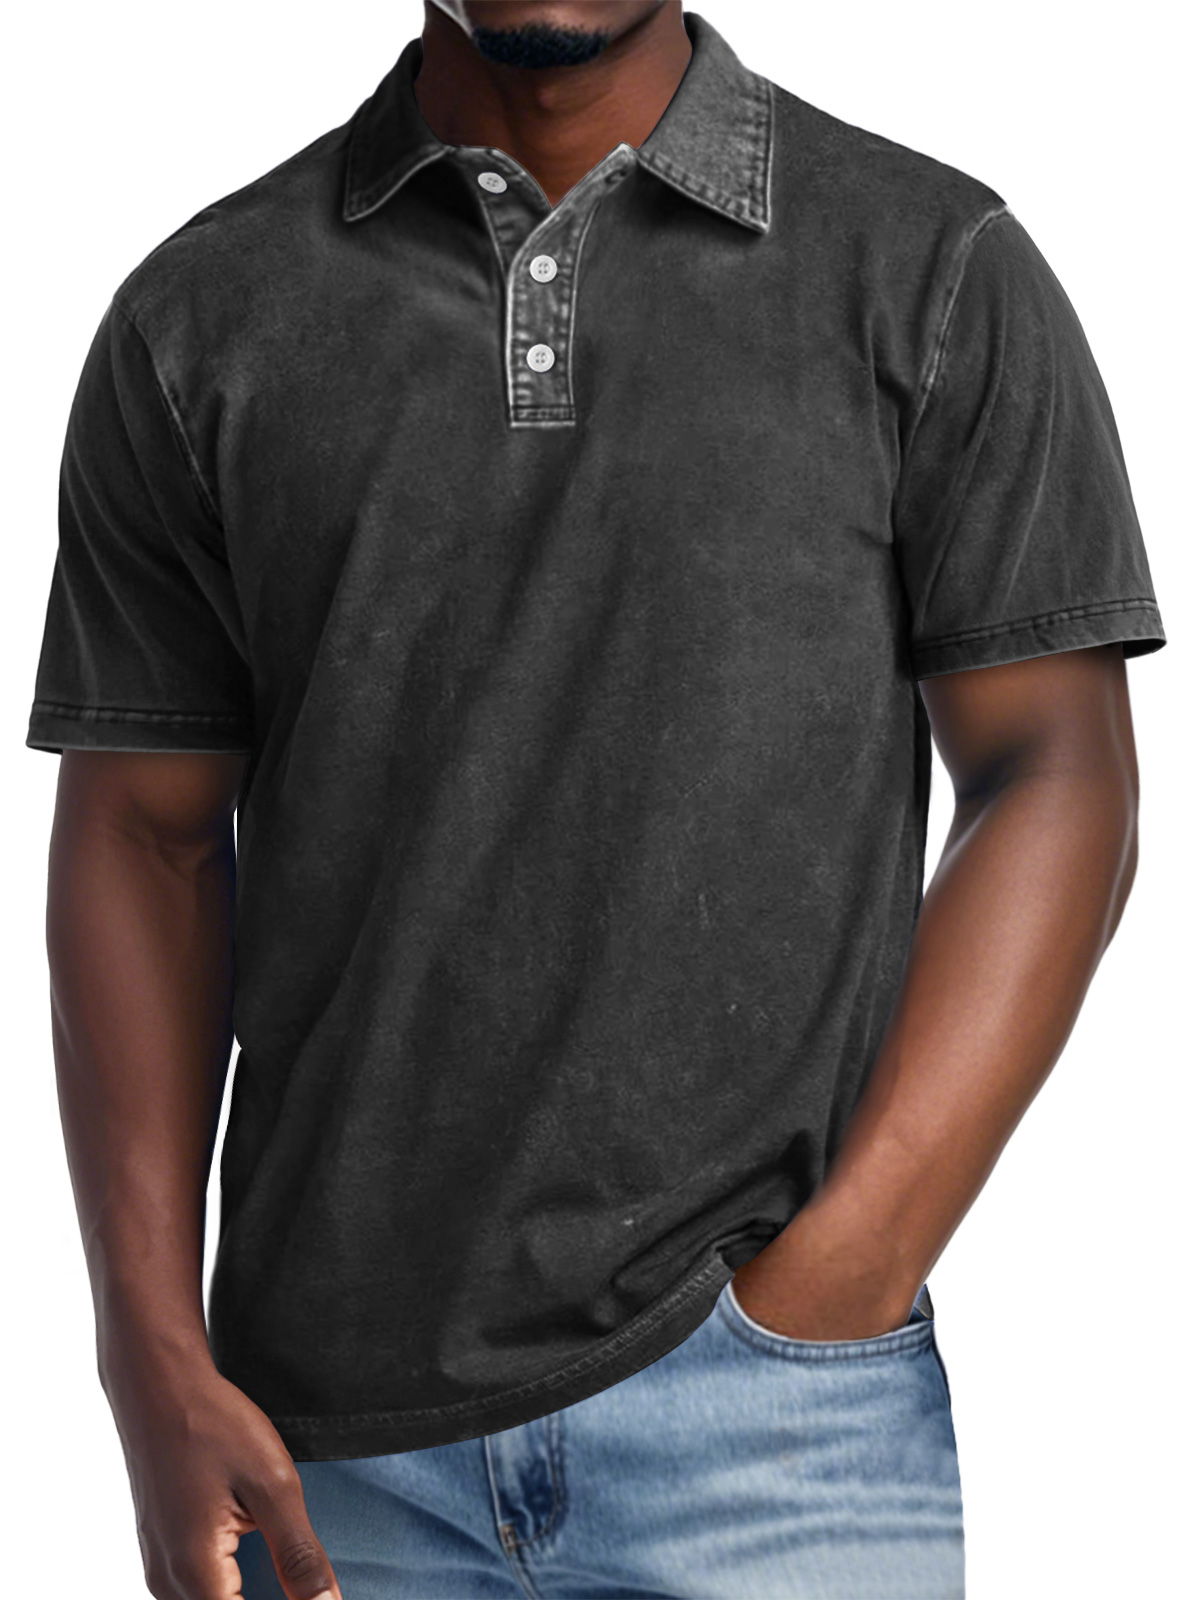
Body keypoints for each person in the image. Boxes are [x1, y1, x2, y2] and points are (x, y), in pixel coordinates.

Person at [25, 2, 1166, 1597]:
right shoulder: (203, 314)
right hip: (323, 1451)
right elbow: (143, 834)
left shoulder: (933, 269)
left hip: (778, 1439)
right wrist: (147, 1359)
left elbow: (1057, 773)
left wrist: (847, 1271)